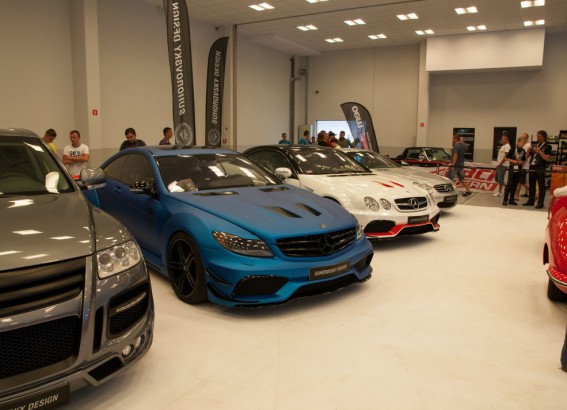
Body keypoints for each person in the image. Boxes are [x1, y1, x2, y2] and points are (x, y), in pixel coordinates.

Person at [524, 130, 552, 209]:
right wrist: (528, 151)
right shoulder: (535, 145)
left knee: (541, 185)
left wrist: (539, 151)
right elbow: (526, 157)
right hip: (532, 166)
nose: (538, 138)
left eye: (540, 137)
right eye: (537, 136)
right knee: (531, 184)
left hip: (540, 167)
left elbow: (547, 158)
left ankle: (540, 203)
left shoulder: (548, 146)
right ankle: (531, 200)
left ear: (544, 137)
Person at [502, 138, 525, 206]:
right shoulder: (513, 149)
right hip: (512, 167)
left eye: (524, 142)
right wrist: (513, 161)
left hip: (519, 168)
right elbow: (506, 158)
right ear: (518, 142)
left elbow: (523, 160)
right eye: (522, 142)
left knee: (515, 184)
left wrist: (521, 162)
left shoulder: (523, 151)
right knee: (509, 184)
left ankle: (511, 199)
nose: (523, 144)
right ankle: (505, 200)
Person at [493, 131, 511, 197]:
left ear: (507, 139)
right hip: (500, 165)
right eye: (502, 138)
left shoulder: (507, 146)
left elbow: (506, 157)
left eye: (504, 139)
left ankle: (499, 192)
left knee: (500, 179)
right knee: (496, 179)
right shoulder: (503, 146)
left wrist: (500, 164)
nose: (502, 140)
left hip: (503, 165)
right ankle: (507, 187)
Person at [515, 133, 531, 200]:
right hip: (520, 166)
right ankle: (516, 196)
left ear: (526, 138)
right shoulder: (520, 147)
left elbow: (526, 156)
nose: (523, 140)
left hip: (524, 166)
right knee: (519, 182)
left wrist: (521, 164)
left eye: (524, 138)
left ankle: (534, 193)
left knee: (522, 181)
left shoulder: (527, 145)